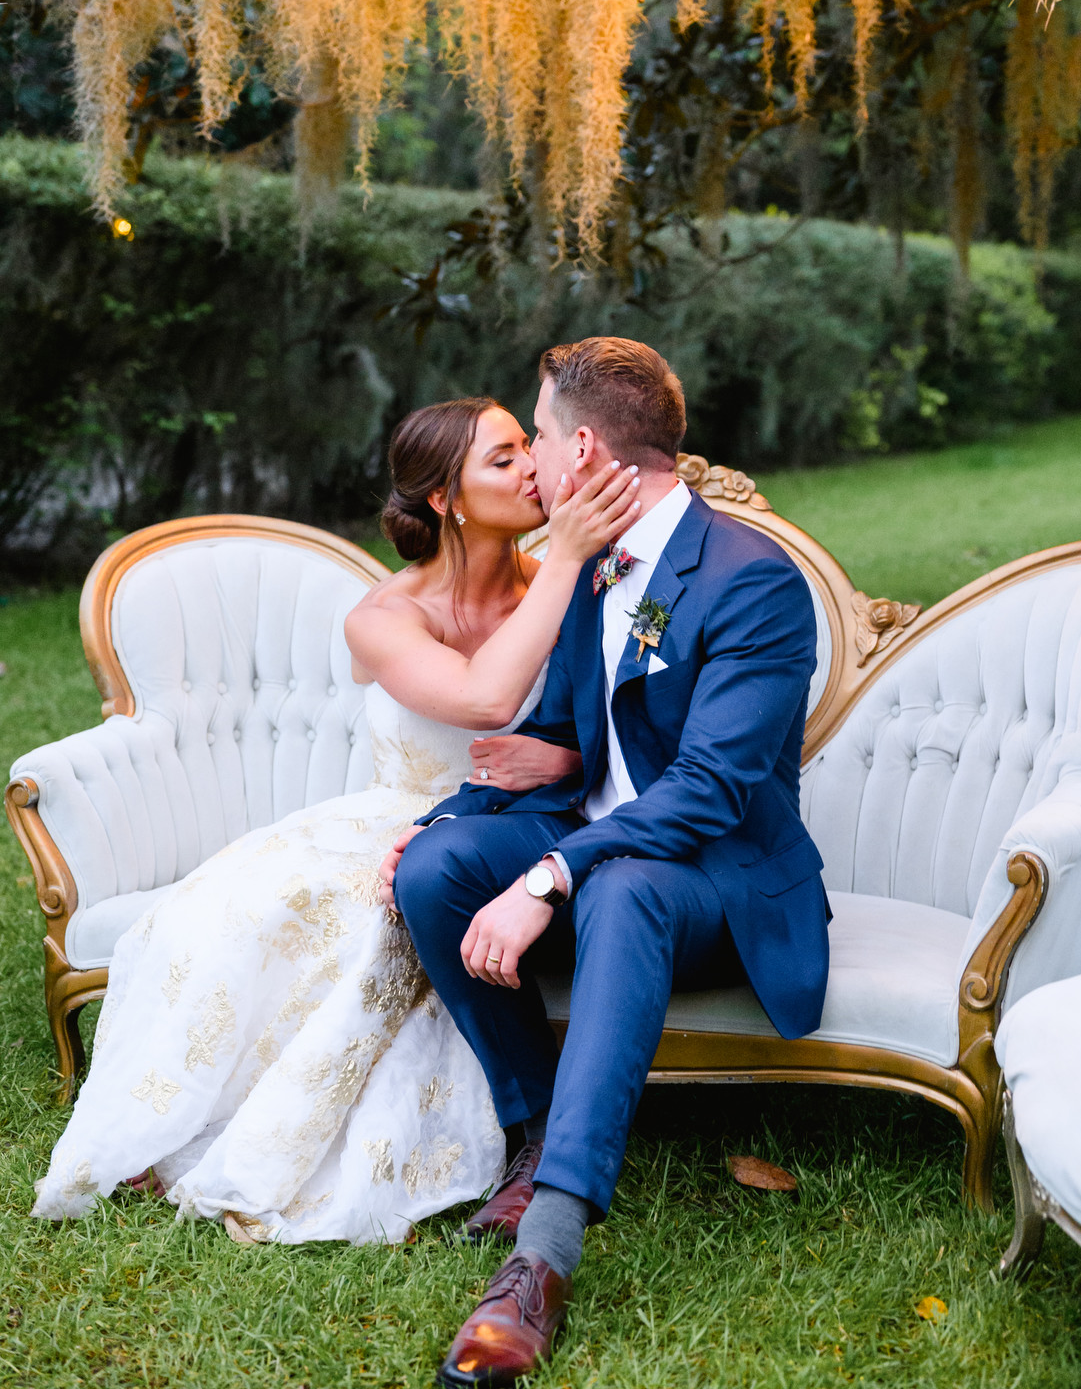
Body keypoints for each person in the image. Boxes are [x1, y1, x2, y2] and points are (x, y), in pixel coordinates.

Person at [31, 397, 639, 1243]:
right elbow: (484, 698)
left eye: (524, 448)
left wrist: (570, 759)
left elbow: (627, 722)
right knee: (256, 911)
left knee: (399, 900)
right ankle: (205, 1117)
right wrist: (569, 553)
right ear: (446, 499)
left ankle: (527, 1137)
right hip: (393, 820)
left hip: (528, 828)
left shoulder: (572, 584)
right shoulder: (383, 617)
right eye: (503, 460)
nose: (533, 469)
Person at [388, 337, 830, 1388]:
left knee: (622, 882)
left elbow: (710, 792)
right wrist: (451, 819)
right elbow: (559, 739)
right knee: (434, 872)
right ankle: (536, 1122)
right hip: (601, 839)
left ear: (583, 448)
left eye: (537, 436)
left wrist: (549, 877)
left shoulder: (752, 583)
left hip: (715, 878)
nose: (533, 459)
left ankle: (541, 1255)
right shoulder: (589, 569)